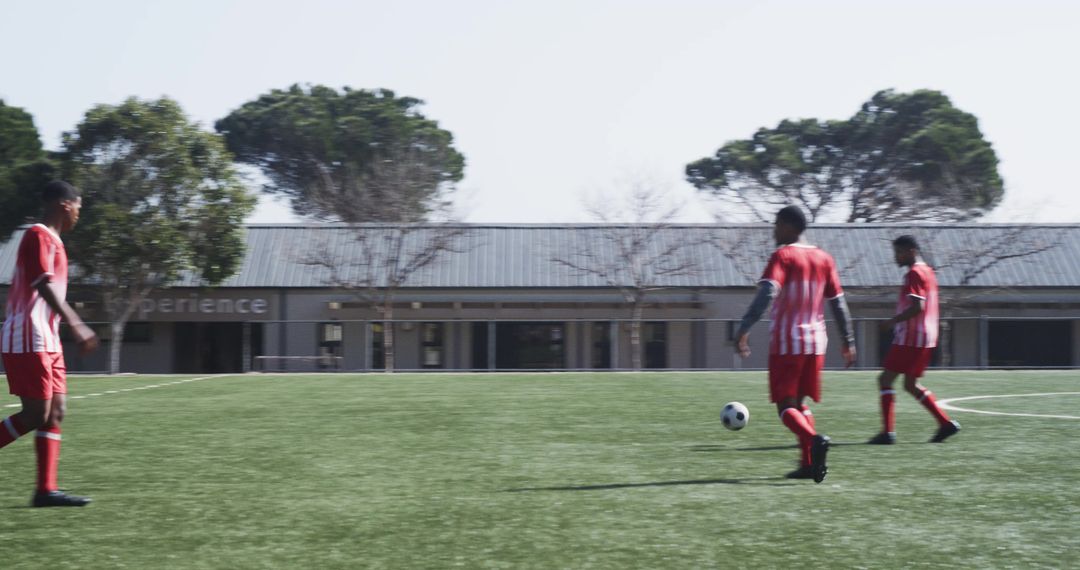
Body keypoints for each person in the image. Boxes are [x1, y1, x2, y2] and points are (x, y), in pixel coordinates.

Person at [734, 206, 856, 483]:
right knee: (799, 404)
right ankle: (808, 464)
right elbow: (838, 303)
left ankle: (814, 440)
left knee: (785, 406)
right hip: (816, 342)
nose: (773, 230)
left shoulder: (783, 256)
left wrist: (743, 328)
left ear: (788, 227)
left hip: (788, 340)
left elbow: (768, 291)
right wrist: (848, 340)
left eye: (777, 225)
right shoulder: (824, 258)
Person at [0, 180, 99, 507]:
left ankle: (45, 490)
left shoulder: (55, 241)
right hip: (28, 334)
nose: (79, 215)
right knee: (36, 414)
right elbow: (43, 284)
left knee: (56, 411)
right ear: (65, 204)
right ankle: (44, 490)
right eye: (79, 208)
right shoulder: (38, 235)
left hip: (48, 337)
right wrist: (76, 322)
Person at [868, 236, 960, 445]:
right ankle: (946, 424)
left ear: (911, 251)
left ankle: (887, 433)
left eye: (899, 252)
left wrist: (892, 322)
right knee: (910, 384)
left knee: (884, 380)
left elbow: (917, 307)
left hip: (911, 337)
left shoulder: (914, 273)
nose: (896, 257)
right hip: (927, 337)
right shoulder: (928, 271)